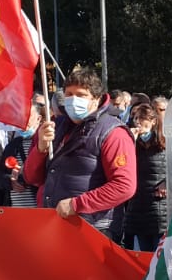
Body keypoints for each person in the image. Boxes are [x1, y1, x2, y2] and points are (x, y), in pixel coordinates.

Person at [23, 68, 136, 235]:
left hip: (93, 229)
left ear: (96, 99)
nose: (73, 99)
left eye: (81, 95)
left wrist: (77, 204)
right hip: (53, 223)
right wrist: (40, 149)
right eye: (69, 94)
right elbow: (31, 178)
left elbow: (124, 186)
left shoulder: (113, 132)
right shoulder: (55, 126)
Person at [117, 103, 168, 250]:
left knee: (158, 252)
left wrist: (166, 183)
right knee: (143, 252)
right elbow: (122, 164)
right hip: (137, 205)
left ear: (153, 121)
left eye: (143, 118)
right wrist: (129, 142)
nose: (138, 122)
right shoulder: (132, 143)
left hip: (158, 206)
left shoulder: (164, 143)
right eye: (136, 118)